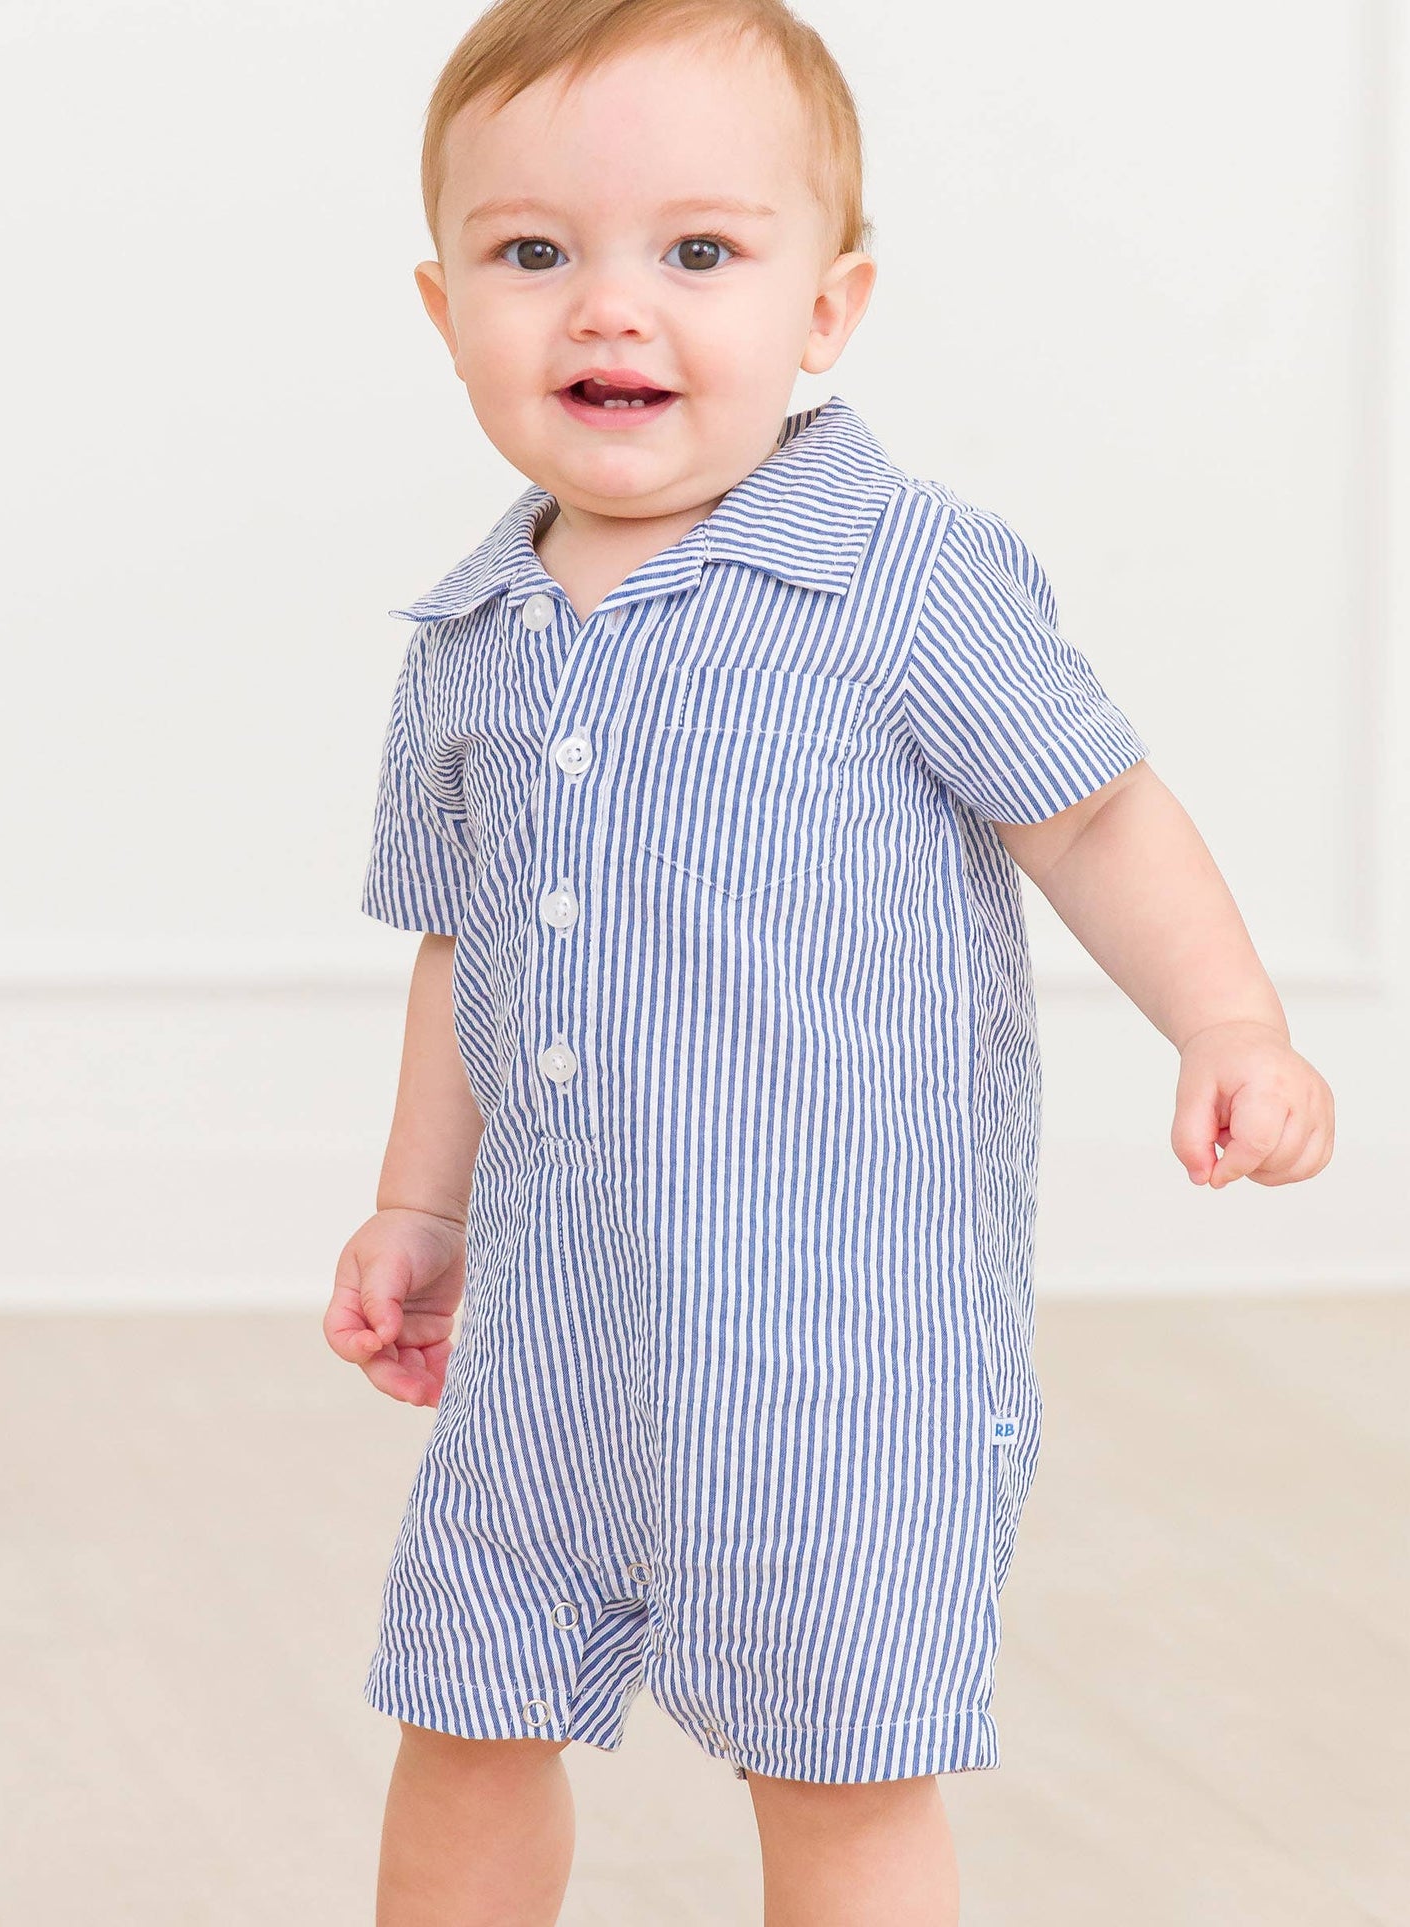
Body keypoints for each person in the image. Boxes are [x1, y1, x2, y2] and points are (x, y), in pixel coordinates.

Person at [322, 2, 1337, 1920]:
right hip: (553, 1322)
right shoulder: (468, 634)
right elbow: (464, 948)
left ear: (826, 308)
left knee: (835, 1760)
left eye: (697, 254)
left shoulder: (897, 574)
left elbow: (1092, 810)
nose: (609, 312)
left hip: (829, 1336)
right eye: (533, 254)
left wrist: (1228, 1021)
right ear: (443, 301)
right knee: (460, 1709)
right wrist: (419, 1207)